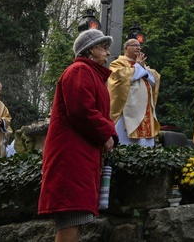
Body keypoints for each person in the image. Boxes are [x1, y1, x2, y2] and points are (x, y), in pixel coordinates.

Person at [38, 29, 119, 242]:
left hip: (79, 155)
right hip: (71, 157)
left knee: (76, 218)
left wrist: (106, 133)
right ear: (90, 49)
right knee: (71, 219)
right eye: (103, 47)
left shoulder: (89, 73)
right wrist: (106, 134)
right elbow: (81, 110)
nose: (108, 53)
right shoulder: (79, 71)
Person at [108, 39, 161, 146]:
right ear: (126, 48)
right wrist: (137, 67)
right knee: (126, 146)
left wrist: (142, 70)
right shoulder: (118, 63)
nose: (138, 47)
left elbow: (155, 79)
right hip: (128, 111)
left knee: (146, 148)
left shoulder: (143, 66)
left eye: (139, 45)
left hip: (145, 109)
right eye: (134, 45)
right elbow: (119, 78)